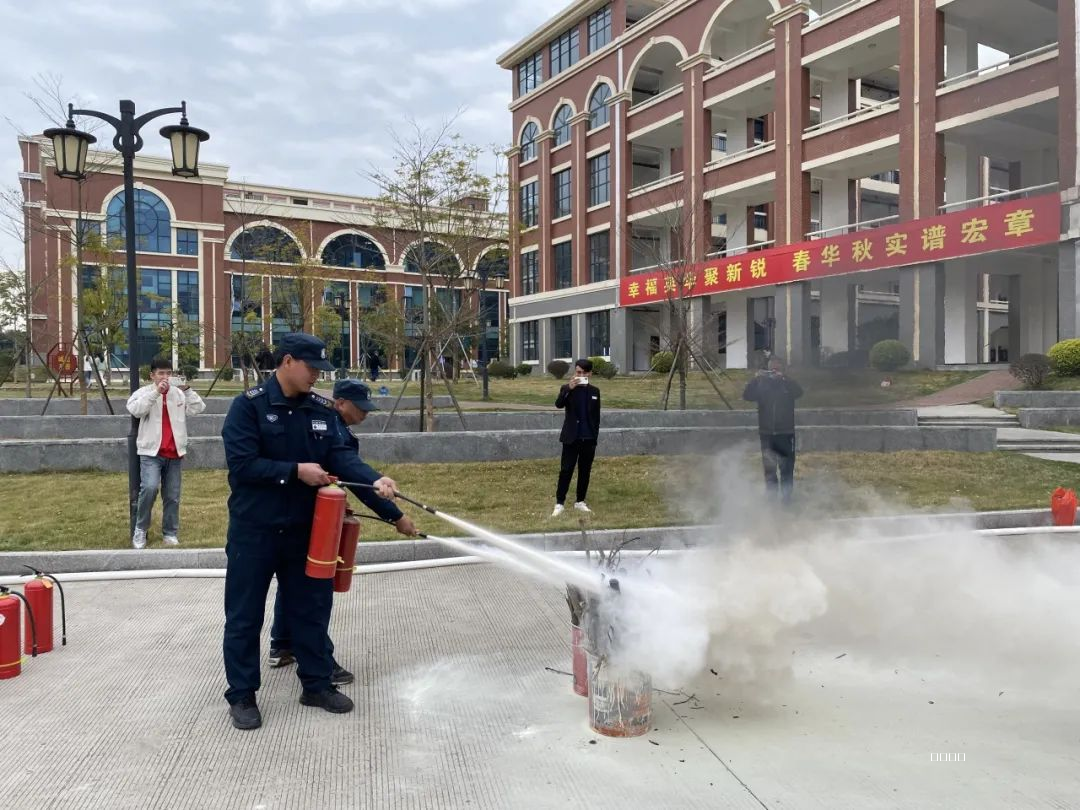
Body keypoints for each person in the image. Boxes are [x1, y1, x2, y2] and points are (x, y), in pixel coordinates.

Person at [220, 333, 415, 731]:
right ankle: (242, 695)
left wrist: (377, 482)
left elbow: (343, 458)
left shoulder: (321, 411)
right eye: (311, 367)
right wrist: (295, 471)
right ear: (287, 361)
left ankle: (316, 684)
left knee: (311, 610)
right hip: (255, 532)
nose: (316, 376)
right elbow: (242, 465)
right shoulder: (249, 407)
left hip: (305, 532)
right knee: (244, 616)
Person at [267, 378, 416, 681]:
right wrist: (396, 516)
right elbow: (356, 477)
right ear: (340, 403)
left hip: (297, 514)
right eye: (360, 408)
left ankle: (282, 644)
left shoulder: (333, 426)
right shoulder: (329, 427)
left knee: (293, 583)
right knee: (315, 591)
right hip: (308, 517)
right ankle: (320, 661)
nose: (365, 413)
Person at [126, 357, 205, 549]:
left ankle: (170, 533)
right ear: (152, 375)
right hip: (151, 452)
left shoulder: (178, 393)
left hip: (175, 452)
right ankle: (140, 529)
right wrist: (156, 392)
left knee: (172, 496)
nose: (165, 377)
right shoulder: (143, 393)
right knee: (149, 488)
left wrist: (187, 389)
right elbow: (135, 410)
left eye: (169, 373)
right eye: (161, 373)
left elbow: (198, 408)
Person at [742, 356, 803, 504]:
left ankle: (787, 500)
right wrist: (755, 379)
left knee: (786, 468)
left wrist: (784, 379)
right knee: (769, 469)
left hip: (786, 433)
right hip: (767, 433)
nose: (774, 371)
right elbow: (747, 396)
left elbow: (799, 392)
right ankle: (771, 499)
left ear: (782, 369)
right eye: (772, 368)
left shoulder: (787, 384)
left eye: (777, 368)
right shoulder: (761, 384)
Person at [552, 359, 601, 517]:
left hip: (588, 438)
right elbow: (558, 404)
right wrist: (569, 388)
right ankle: (559, 503)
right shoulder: (567, 388)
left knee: (585, 471)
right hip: (571, 437)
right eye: (578, 372)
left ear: (590, 374)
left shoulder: (595, 391)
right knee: (566, 470)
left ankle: (580, 501)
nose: (580, 375)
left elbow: (596, 417)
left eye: (584, 373)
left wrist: (594, 436)